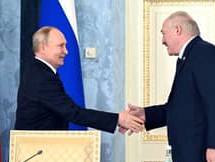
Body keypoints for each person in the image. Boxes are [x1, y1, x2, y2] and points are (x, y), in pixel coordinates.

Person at [125, 11, 215, 162]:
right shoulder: (191, 56)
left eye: (163, 33)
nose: (163, 40)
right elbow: (183, 108)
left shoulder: (204, 54)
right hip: (207, 156)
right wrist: (145, 114)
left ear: (177, 30)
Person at [15, 26, 144, 134]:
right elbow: (74, 113)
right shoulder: (42, 77)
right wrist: (118, 119)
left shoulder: (39, 71)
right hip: (38, 155)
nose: (66, 51)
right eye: (61, 46)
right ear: (43, 47)